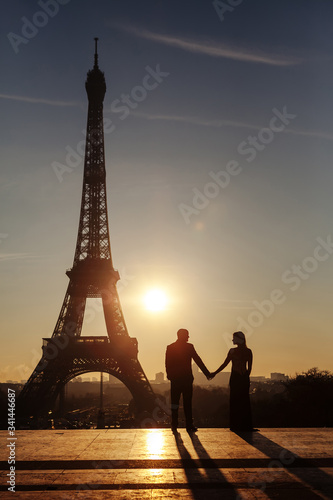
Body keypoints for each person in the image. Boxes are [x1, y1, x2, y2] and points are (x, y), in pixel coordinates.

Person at [165, 328, 211, 433]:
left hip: (175, 379)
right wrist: (207, 373)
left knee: (174, 403)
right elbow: (198, 360)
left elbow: (167, 363)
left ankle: (174, 425)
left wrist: (169, 375)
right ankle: (189, 425)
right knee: (187, 403)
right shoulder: (189, 347)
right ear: (182, 336)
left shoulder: (170, 347)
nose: (188, 337)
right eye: (187, 335)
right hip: (186, 379)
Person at [211, 331, 254, 432]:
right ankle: (246, 426)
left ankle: (235, 425)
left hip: (235, 378)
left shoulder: (232, 351)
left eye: (234, 338)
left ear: (239, 339)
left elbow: (224, 364)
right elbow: (249, 368)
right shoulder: (248, 351)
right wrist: (245, 377)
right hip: (243, 378)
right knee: (244, 401)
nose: (232, 340)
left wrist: (214, 373)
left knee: (235, 401)